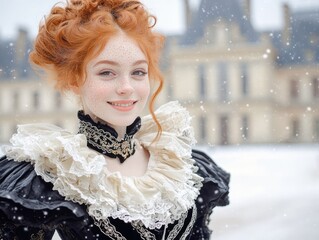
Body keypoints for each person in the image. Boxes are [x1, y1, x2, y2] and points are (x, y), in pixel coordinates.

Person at [0, 0, 230, 239]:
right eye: (107, 72)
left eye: (138, 72)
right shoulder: (47, 177)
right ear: (74, 79)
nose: (126, 87)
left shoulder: (183, 166)